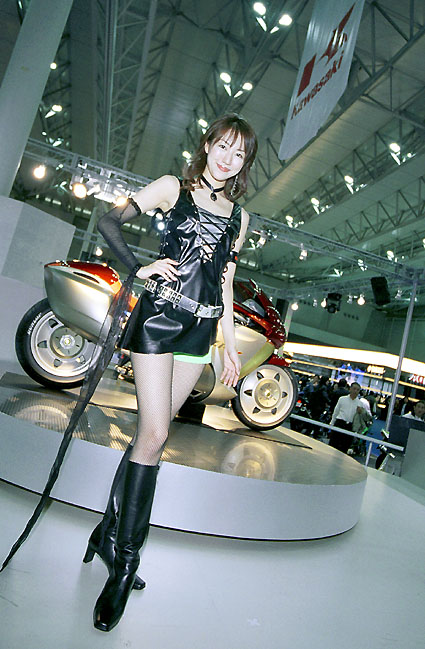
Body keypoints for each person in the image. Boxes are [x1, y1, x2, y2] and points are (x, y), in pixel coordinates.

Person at [84, 114, 258, 632]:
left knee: (149, 437)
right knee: (157, 434)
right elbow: (108, 222)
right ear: (207, 145)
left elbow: (225, 281)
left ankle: (107, 534)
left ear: (244, 164)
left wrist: (229, 345)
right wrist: (137, 266)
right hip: (159, 320)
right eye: (223, 147)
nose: (228, 159)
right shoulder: (170, 188)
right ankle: (125, 564)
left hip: (200, 334)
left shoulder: (240, 217)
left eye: (239, 154)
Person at [328, 381, 363, 453]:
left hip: (350, 427)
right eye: (354, 389)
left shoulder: (360, 403)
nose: (355, 391)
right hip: (339, 423)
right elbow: (336, 411)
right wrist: (332, 423)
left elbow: (359, 418)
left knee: (344, 448)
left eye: (357, 390)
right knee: (332, 445)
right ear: (350, 389)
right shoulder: (342, 399)